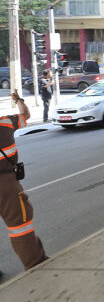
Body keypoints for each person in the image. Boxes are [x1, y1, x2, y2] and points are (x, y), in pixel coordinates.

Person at [0, 91, 48, 271]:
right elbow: (26, 114)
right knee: (19, 226)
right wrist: (18, 100)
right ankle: (35, 264)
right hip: (5, 185)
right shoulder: (5, 122)